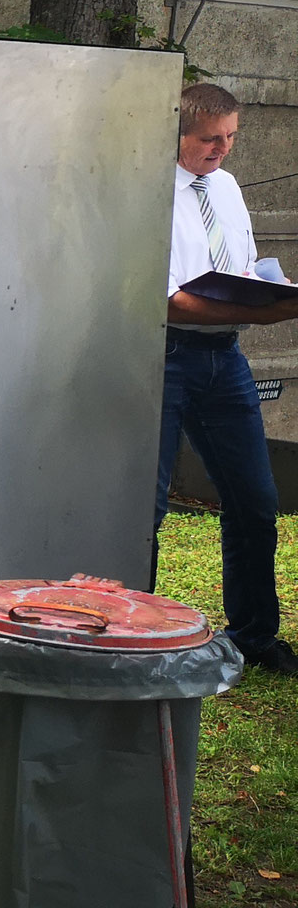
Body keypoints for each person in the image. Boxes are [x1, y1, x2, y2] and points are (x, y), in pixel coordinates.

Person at [156, 82, 298, 675]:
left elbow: (240, 265)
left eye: (231, 137)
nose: (222, 149)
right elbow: (166, 301)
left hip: (224, 358)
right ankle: (133, 637)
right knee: (146, 509)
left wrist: (269, 288)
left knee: (256, 501)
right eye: (210, 139)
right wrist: (262, 311)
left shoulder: (228, 186)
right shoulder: (151, 188)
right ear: (179, 132)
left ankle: (255, 635)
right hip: (162, 357)